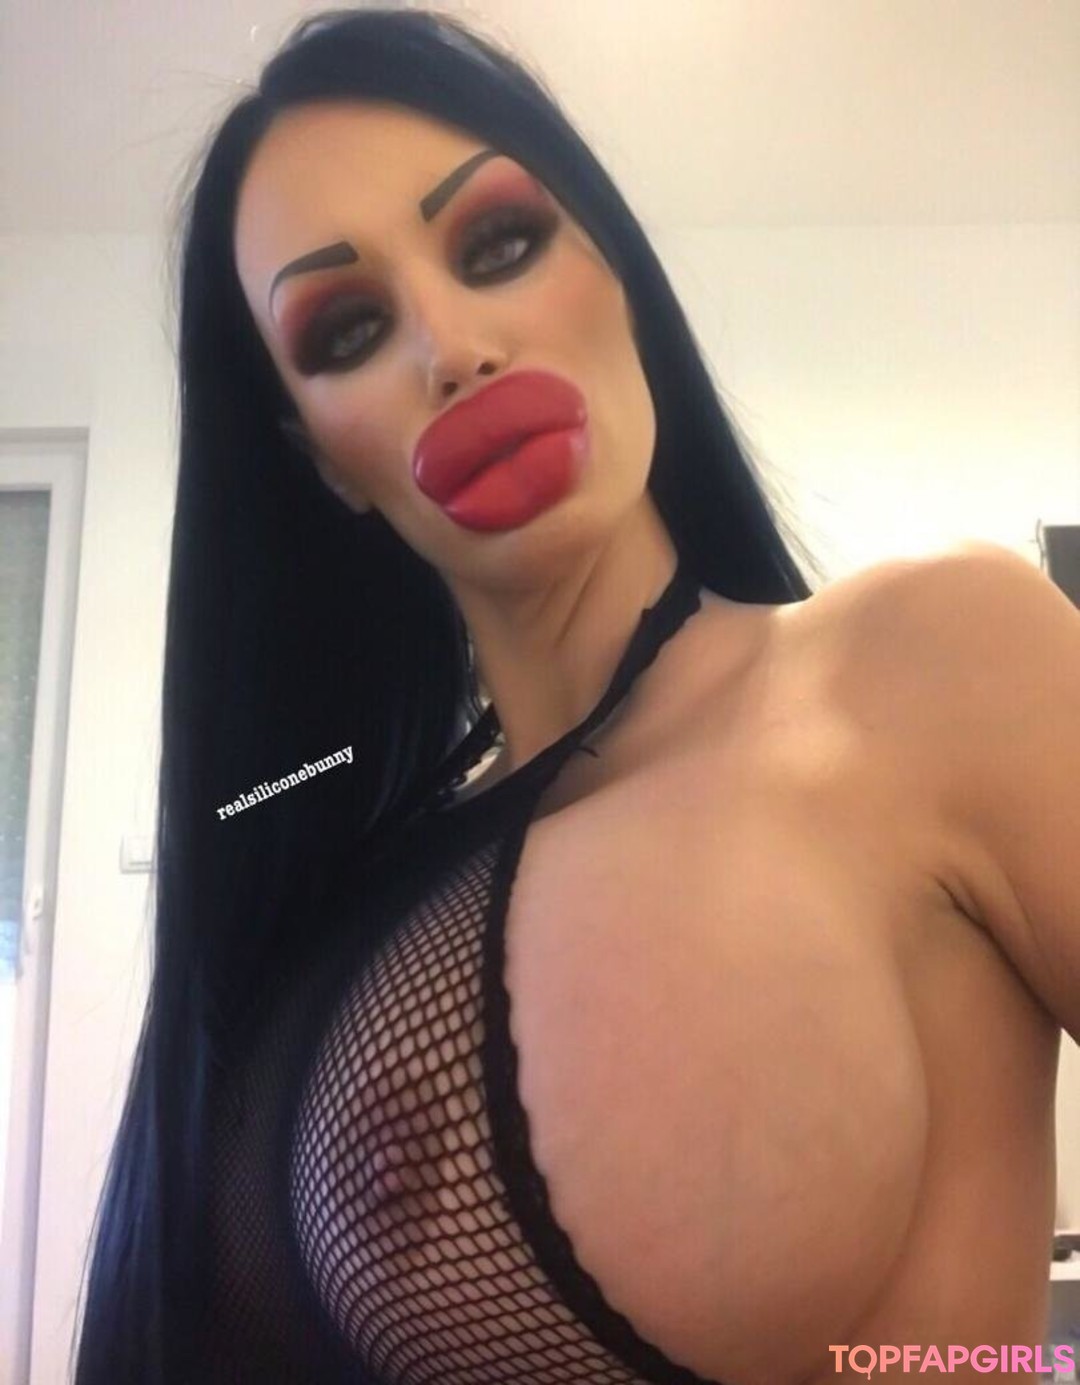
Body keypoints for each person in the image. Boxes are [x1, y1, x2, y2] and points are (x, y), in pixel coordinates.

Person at [72, 8, 1080, 1384]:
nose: (452, 346)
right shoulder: (347, 887)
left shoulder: (935, 663)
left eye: (497, 243)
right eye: (350, 328)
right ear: (322, 460)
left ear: (615, 266)